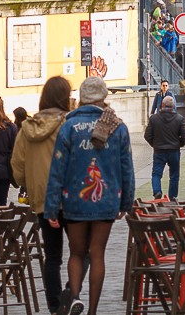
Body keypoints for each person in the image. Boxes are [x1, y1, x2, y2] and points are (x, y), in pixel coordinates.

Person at [45, 77, 135, 315]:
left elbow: (57, 170)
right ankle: (93, 311)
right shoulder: (117, 126)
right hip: (106, 200)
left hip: (74, 198)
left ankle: (74, 296)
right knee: (97, 254)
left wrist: (52, 207)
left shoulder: (68, 126)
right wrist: (125, 202)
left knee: (76, 253)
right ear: (104, 97)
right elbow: (127, 167)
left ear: (82, 98)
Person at [12, 76, 72, 315]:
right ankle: (71, 291)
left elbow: (17, 166)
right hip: (70, 196)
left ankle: (55, 305)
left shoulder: (27, 129)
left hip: (42, 200)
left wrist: (30, 184)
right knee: (82, 252)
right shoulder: (69, 124)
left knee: (52, 255)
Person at [144, 95, 185, 201]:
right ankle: (172, 197)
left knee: (156, 174)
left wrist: (155, 144)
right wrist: (178, 144)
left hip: (159, 150)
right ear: (173, 106)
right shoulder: (179, 118)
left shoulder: (154, 118)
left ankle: (157, 192)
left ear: (162, 105)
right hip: (174, 151)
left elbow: (147, 135)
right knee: (174, 175)